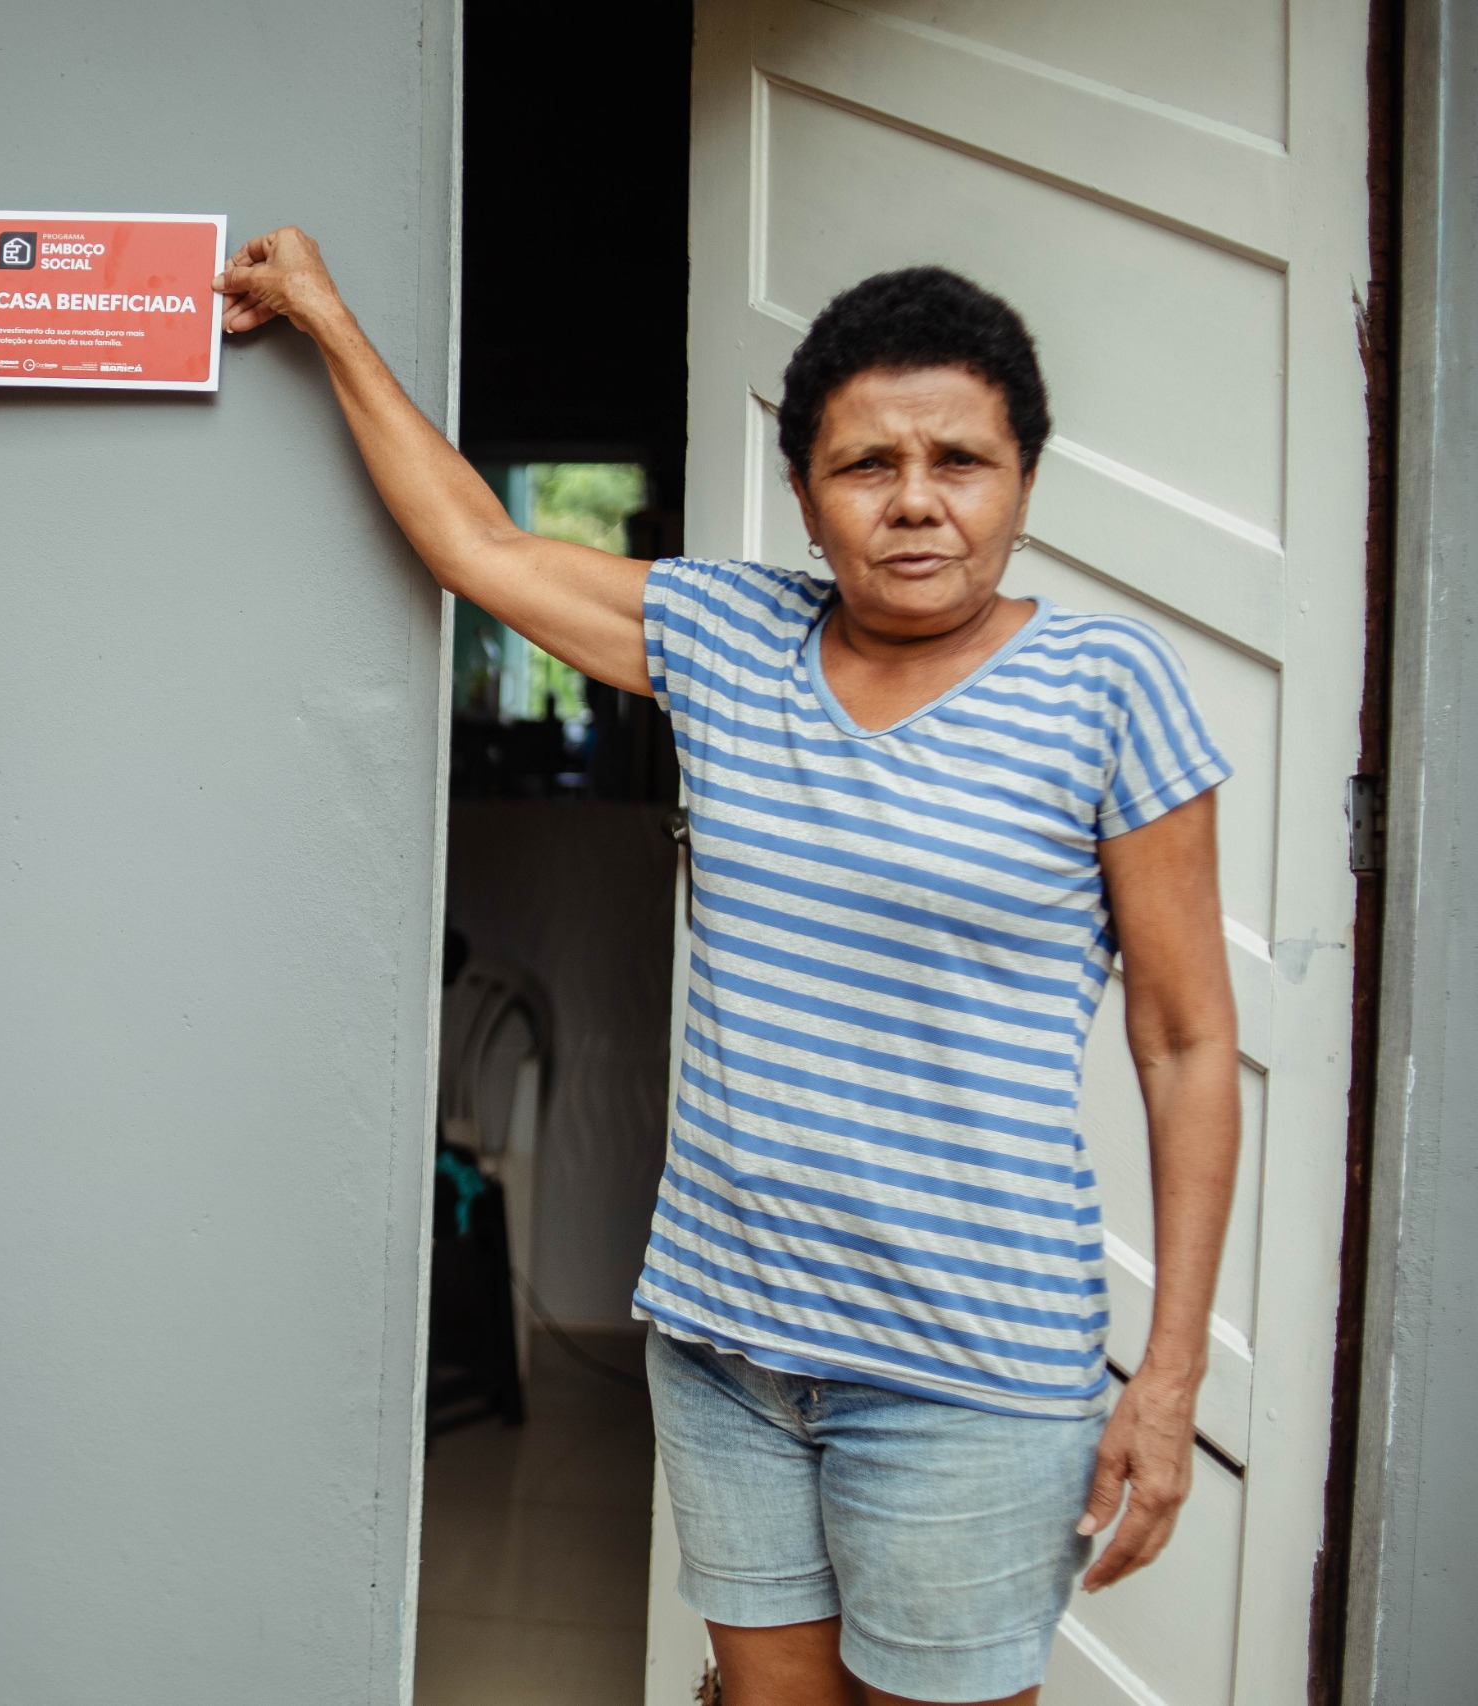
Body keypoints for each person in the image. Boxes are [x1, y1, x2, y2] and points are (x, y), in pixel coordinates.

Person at [217, 237, 1238, 1706]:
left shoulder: (1107, 689)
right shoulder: (729, 636)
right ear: (808, 499)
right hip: (725, 1343)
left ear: (1023, 479)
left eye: (961, 459)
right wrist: (322, 316)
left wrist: (1172, 1375)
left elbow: (1187, 1042)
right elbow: (480, 547)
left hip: (969, 1365)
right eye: (865, 463)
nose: (915, 499)